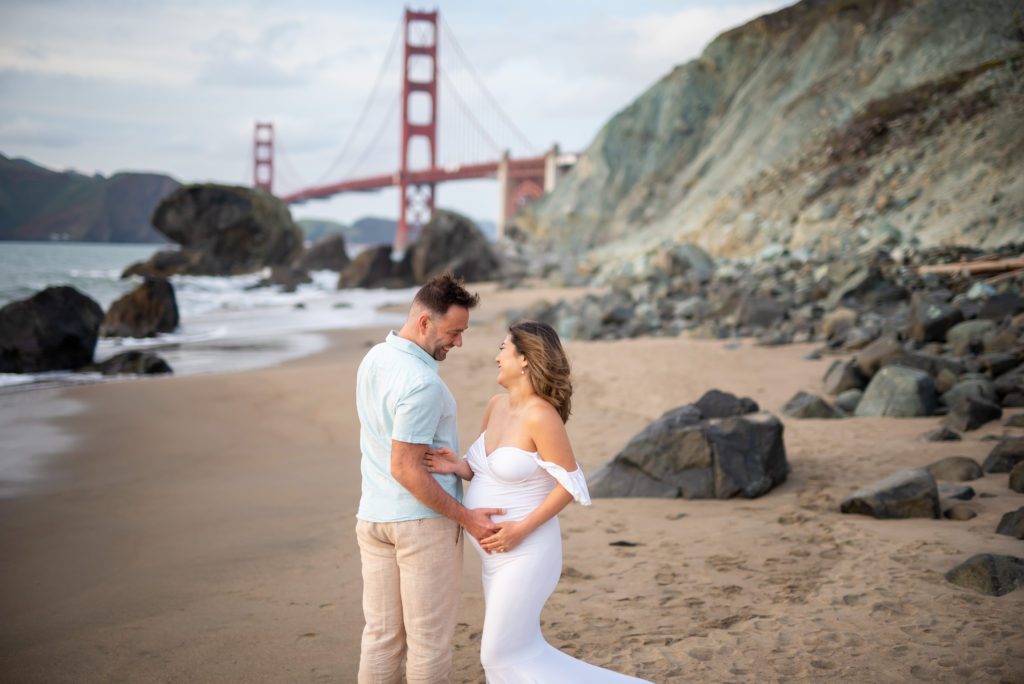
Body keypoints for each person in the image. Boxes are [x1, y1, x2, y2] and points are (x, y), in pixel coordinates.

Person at [426, 320, 653, 683]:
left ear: (525, 360)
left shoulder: (541, 415)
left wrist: (519, 530)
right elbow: (487, 470)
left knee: (498, 654)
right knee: (519, 652)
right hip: (494, 557)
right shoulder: (496, 406)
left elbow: (570, 484)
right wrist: (458, 466)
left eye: (503, 348)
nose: (497, 356)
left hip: (527, 552)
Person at [354, 271, 504, 684]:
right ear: (424, 322)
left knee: (381, 637)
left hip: (373, 518)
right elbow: (405, 466)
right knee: (428, 644)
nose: (458, 343)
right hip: (420, 525)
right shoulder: (422, 383)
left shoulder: (375, 359)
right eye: (454, 332)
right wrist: (467, 518)